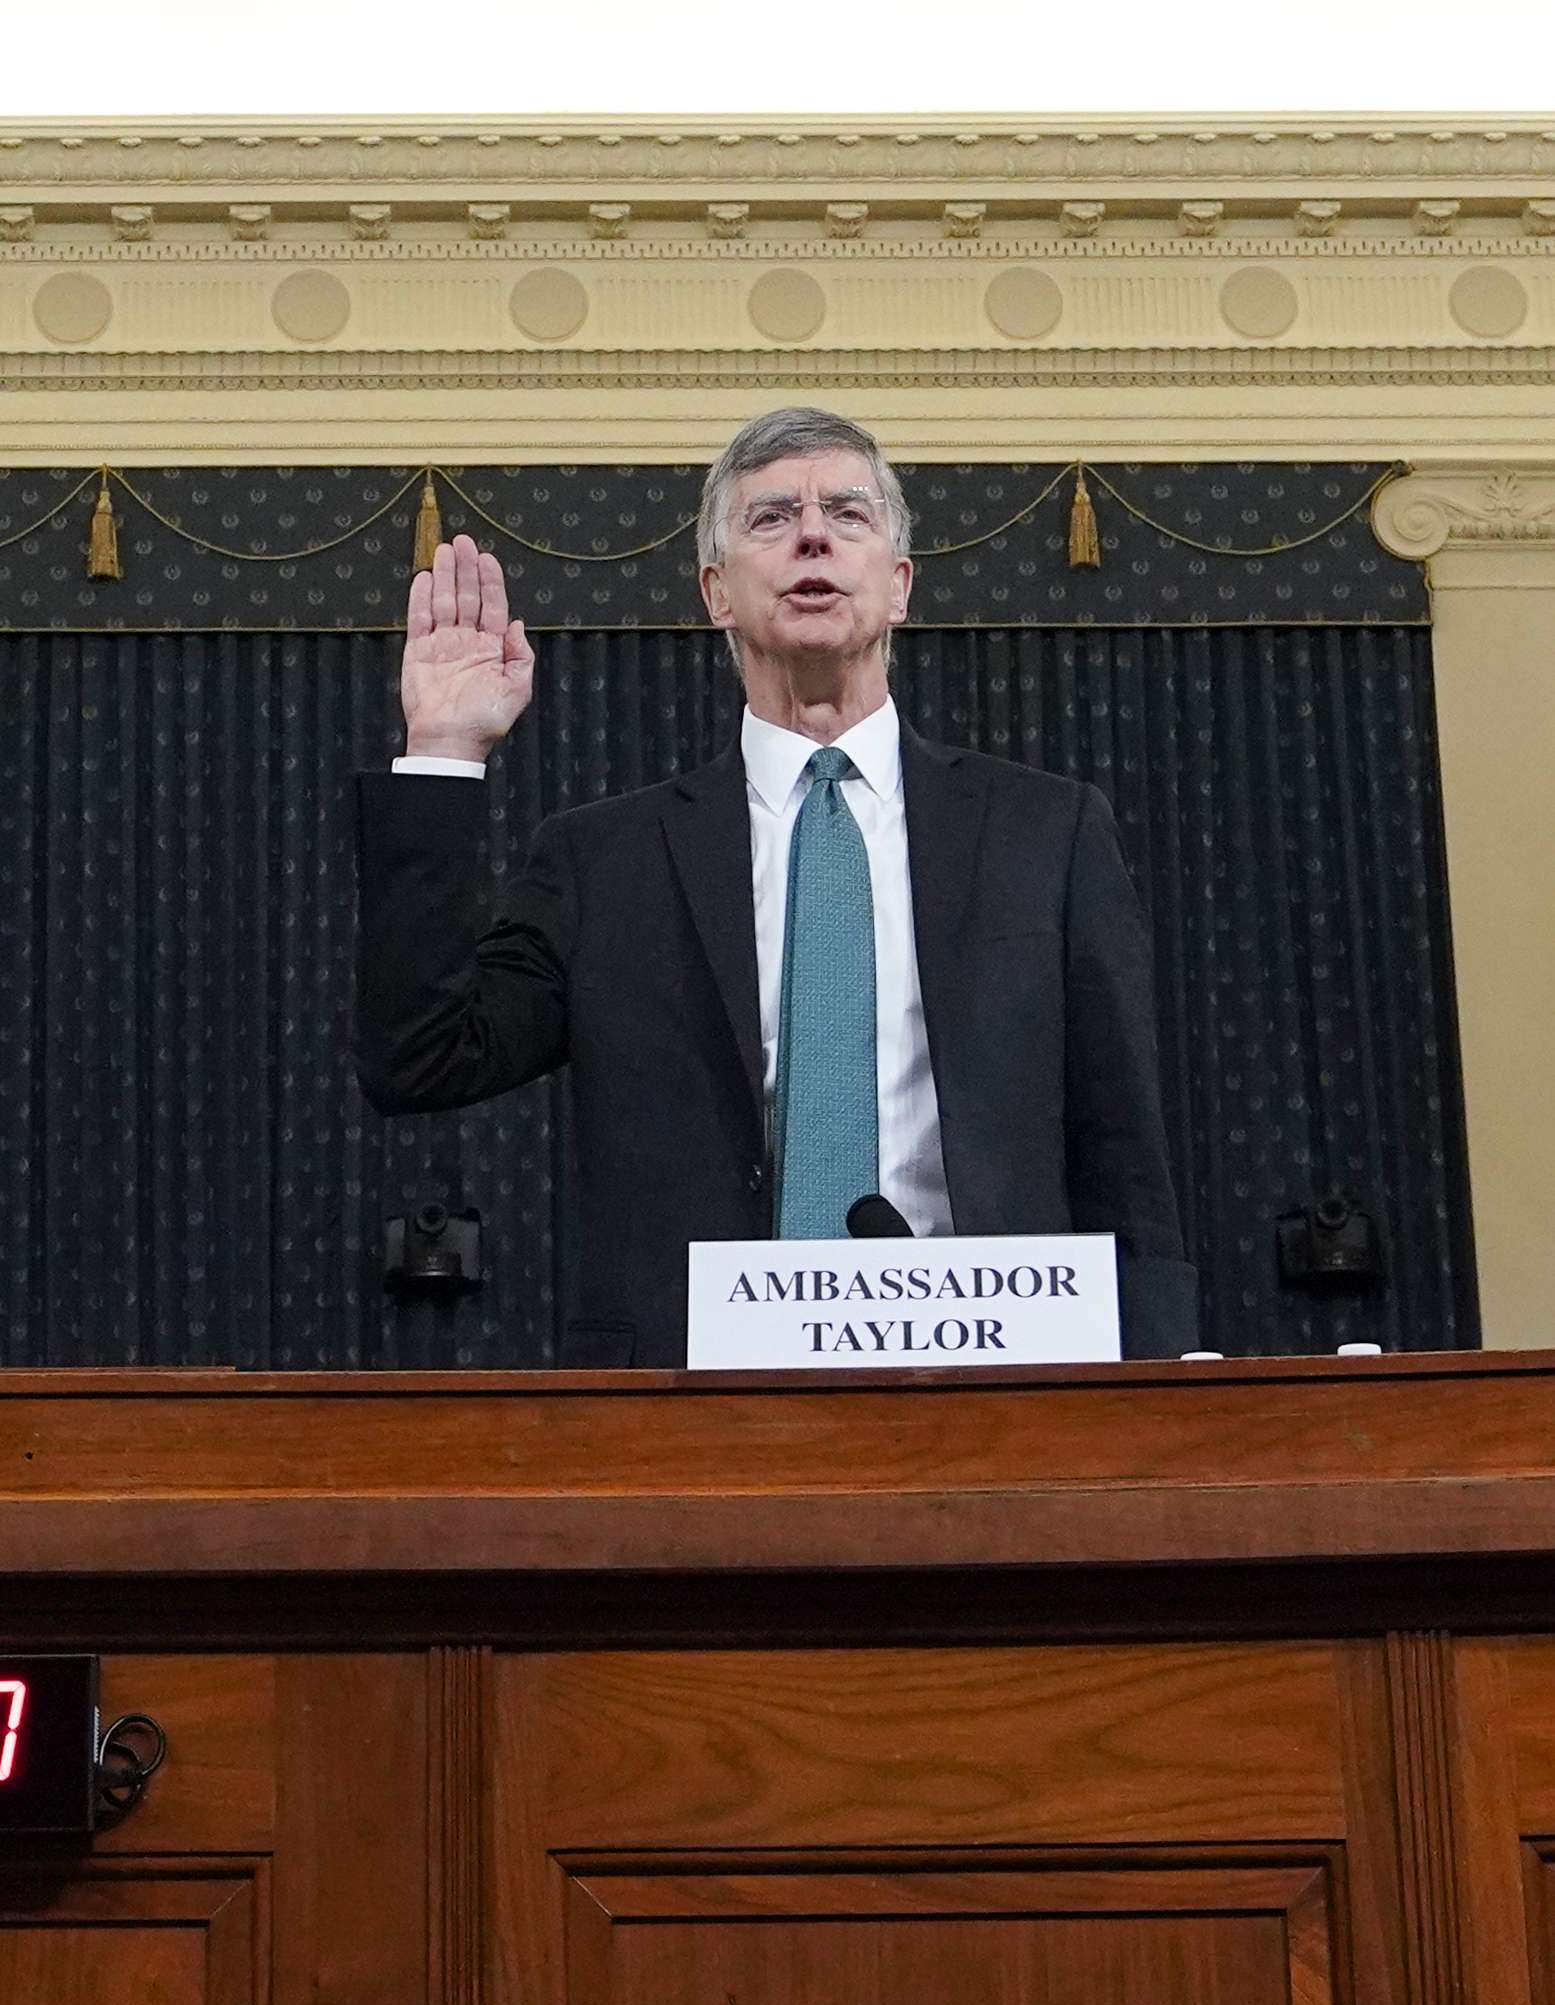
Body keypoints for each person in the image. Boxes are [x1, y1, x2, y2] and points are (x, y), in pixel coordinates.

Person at [356, 405, 1196, 1367]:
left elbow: (1124, 1150)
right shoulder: (605, 860)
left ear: (899, 585)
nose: (811, 533)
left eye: (848, 513)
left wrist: (1155, 1397)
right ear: (715, 593)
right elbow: (418, 1059)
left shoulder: (1045, 833)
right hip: (693, 1399)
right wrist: (443, 753)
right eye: (769, 518)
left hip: (995, 1380)